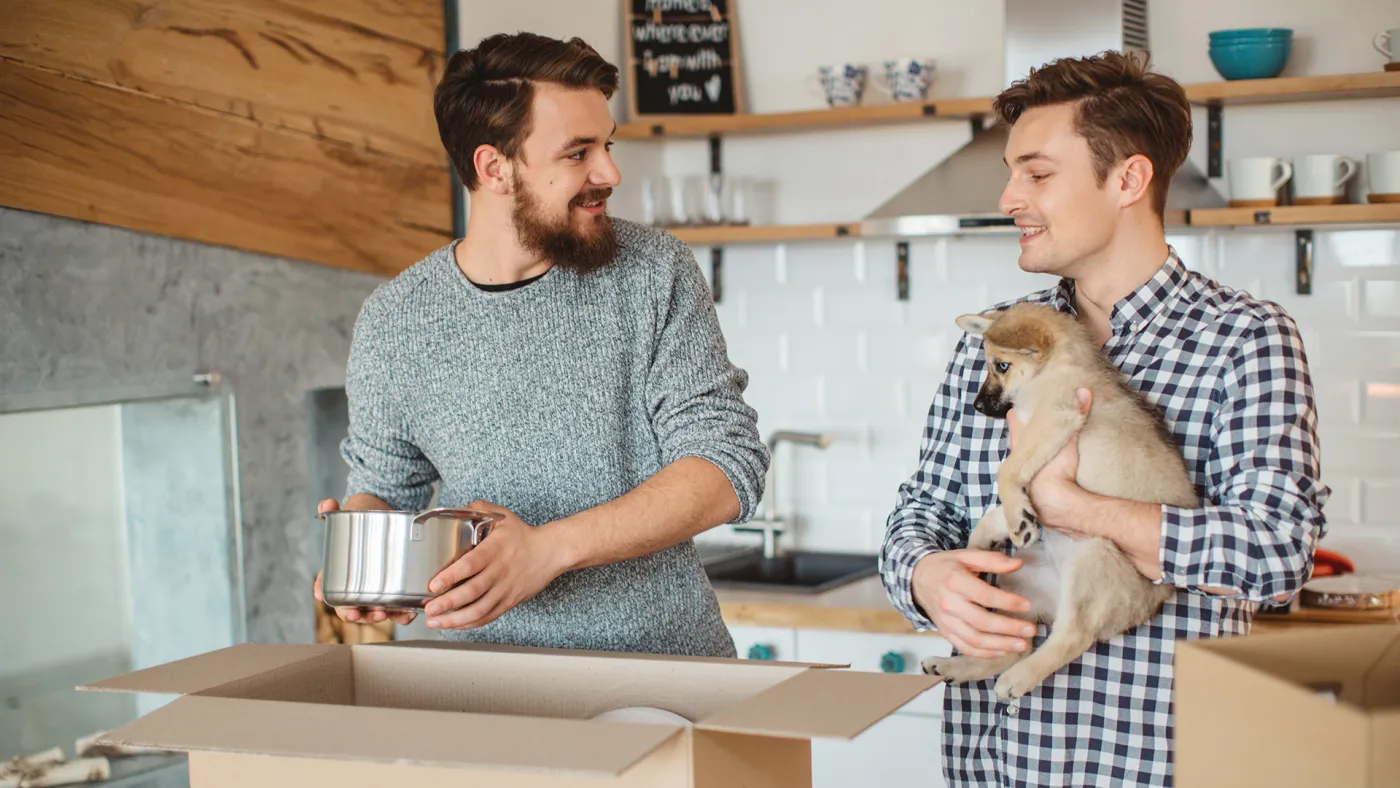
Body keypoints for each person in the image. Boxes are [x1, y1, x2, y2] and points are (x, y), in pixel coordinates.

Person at [880, 50, 1328, 786]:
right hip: (992, 762)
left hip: (1149, 764)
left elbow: (1277, 555)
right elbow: (920, 511)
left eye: (1037, 174)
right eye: (1011, 172)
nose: (1009, 197)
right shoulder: (998, 340)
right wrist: (924, 577)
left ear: (1128, 179)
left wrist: (1075, 508)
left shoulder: (1244, 338)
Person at [311, 32, 769, 658]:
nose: (610, 173)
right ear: (493, 168)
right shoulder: (395, 319)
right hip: (484, 685)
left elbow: (726, 466)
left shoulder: (654, 271)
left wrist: (548, 550)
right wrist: (362, 559)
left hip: (665, 671)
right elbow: (386, 487)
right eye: (578, 153)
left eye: (606, 145)